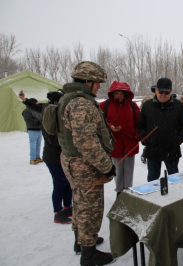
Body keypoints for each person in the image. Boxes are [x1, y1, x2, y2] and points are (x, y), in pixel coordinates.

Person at [57, 61, 116, 265]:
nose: (99, 86)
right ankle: (89, 254)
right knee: (91, 207)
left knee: (80, 203)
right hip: (84, 165)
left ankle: (80, 241)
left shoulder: (68, 98)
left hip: (72, 162)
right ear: (87, 81)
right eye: (97, 83)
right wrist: (106, 166)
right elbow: (87, 143)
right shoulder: (80, 103)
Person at [20, 90, 74, 224]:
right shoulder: (49, 119)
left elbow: (37, 106)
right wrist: (70, 136)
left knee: (68, 183)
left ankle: (67, 207)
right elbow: (53, 140)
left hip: (64, 156)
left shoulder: (57, 113)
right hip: (53, 158)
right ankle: (58, 212)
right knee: (60, 184)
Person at [137, 78, 183, 182]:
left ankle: (174, 197)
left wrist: (178, 139)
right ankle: (152, 197)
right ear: (156, 90)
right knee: (152, 179)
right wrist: (144, 138)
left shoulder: (178, 106)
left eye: (166, 91)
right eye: (161, 91)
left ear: (171, 91)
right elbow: (140, 124)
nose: (163, 94)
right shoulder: (147, 105)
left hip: (172, 148)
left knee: (174, 177)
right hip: (152, 148)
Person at [99, 81, 140, 198]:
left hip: (130, 143)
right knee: (117, 169)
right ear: (112, 94)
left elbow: (139, 122)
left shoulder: (132, 105)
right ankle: (119, 192)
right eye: (116, 93)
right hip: (115, 144)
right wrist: (111, 126)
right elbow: (100, 123)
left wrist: (136, 135)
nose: (119, 96)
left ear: (126, 94)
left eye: (121, 93)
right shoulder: (104, 105)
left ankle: (128, 191)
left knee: (129, 169)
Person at [20, 96, 43, 165]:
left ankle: (37, 157)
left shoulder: (38, 111)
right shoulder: (27, 111)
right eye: (36, 103)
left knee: (38, 144)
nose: (38, 104)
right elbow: (28, 120)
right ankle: (32, 158)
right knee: (33, 144)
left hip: (39, 129)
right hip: (32, 130)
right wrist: (38, 122)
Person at [139, 84, 156, 164]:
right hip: (155, 123)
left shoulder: (145, 98)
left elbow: (141, 111)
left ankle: (146, 153)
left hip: (147, 123)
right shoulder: (158, 98)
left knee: (149, 139)